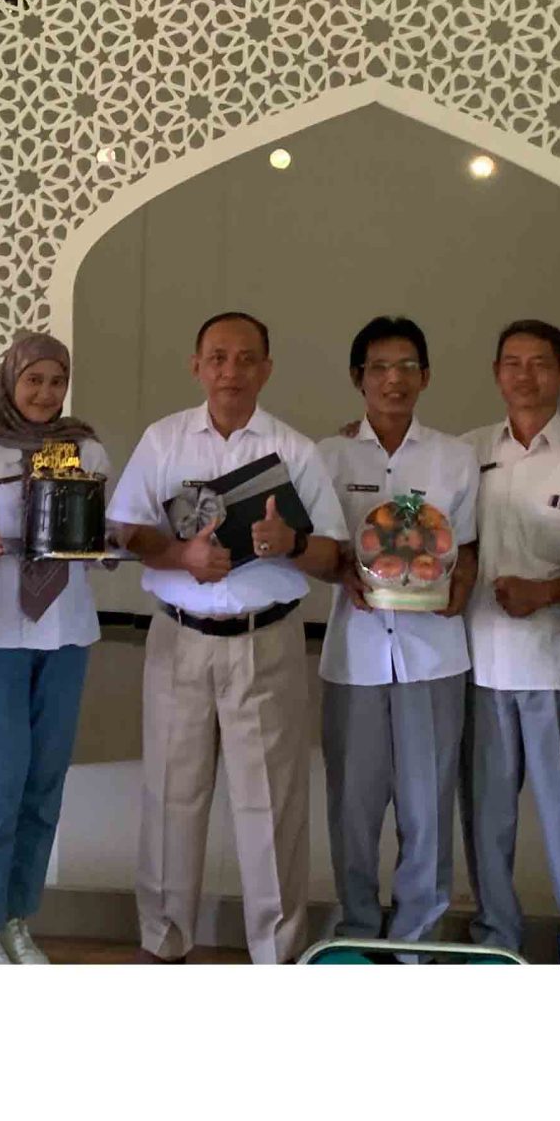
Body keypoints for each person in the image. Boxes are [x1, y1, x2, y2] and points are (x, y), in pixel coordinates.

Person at [109, 312, 346, 964]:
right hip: (177, 639)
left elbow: (333, 556)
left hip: (264, 642)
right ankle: (164, 945)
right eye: (217, 357)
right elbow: (127, 530)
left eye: (246, 358)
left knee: (271, 806)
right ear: (196, 366)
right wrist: (180, 554)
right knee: (170, 798)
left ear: (267, 368)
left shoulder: (295, 450)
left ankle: (278, 953)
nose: (231, 371)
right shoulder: (163, 440)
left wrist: (291, 542)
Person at [0, 332, 110, 965]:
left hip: (67, 631)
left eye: (56, 381)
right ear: (10, 381)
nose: (44, 393)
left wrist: (109, 539)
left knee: (44, 785)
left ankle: (17, 918)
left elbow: (111, 527)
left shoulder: (86, 448)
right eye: (32, 379)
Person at [313, 317, 475, 950]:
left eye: (408, 366)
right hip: (353, 655)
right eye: (380, 367)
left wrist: (459, 589)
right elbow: (320, 547)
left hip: (433, 656)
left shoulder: (454, 458)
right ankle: (356, 930)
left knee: (428, 805)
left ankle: (416, 940)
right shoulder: (328, 456)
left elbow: (469, 546)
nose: (394, 379)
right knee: (352, 806)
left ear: (426, 376)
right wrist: (340, 571)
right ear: (359, 377)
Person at [464, 319, 560, 963]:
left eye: (539, 363)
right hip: (478, 662)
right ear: (496, 373)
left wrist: (547, 592)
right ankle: (495, 942)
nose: (524, 375)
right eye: (512, 363)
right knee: (486, 819)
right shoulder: (467, 451)